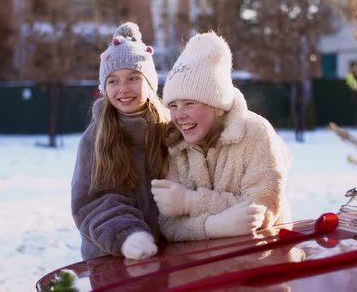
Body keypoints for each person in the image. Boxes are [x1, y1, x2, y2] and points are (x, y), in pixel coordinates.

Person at [151, 32, 292, 241]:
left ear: (217, 106)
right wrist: (212, 227)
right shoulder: (174, 145)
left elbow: (261, 210)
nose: (179, 115)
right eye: (173, 105)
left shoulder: (256, 134)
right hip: (201, 266)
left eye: (189, 103)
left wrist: (190, 202)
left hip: (263, 257)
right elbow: (168, 225)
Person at [71, 22, 169, 260]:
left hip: (168, 255)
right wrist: (127, 235)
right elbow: (91, 203)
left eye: (133, 78)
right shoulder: (95, 138)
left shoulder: (169, 130)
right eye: (113, 80)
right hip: (113, 257)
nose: (123, 89)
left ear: (149, 82)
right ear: (104, 88)